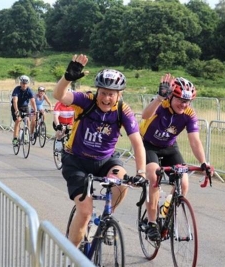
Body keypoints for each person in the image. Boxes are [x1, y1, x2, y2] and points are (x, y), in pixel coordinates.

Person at [53, 54, 146, 248]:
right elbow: (59, 96)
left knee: (122, 182)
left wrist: (141, 173)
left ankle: (106, 218)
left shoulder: (123, 110)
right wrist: (67, 78)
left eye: (112, 93)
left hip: (105, 161)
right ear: (97, 91)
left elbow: (137, 142)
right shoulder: (86, 100)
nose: (106, 98)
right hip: (76, 160)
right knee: (85, 212)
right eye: (103, 92)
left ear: (119, 95)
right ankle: (73, 253)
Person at [140, 74, 212, 241]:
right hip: (149, 145)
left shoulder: (188, 114)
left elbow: (195, 141)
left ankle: (165, 213)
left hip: (169, 147)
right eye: (180, 99)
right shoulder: (161, 105)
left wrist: (203, 162)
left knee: (183, 183)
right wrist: (159, 98)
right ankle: (151, 222)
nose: (184, 104)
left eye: (187, 101)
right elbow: (145, 115)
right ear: (171, 96)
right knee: (153, 177)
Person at [11, 75, 37, 146]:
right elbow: (15, 101)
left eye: (25, 83)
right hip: (16, 107)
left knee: (28, 120)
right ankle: (15, 139)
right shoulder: (17, 89)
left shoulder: (29, 91)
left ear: (28, 84)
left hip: (25, 107)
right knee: (18, 120)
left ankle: (26, 134)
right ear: (20, 83)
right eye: (23, 83)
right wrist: (16, 110)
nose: (24, 85)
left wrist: (35, 110)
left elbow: (32, 101)